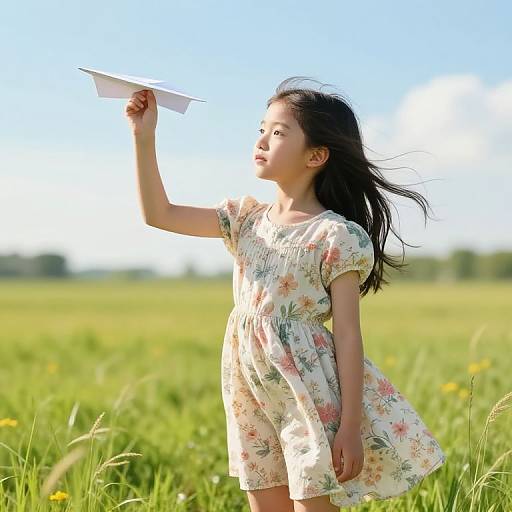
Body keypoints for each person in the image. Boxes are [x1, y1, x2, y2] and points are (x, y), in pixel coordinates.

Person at [125, 77, 446, 512]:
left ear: (316, 155)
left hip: (307, 393)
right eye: (261, 129)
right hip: (249, 388)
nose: (261, 140)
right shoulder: (244, 221)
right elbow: (158, 214)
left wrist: (350, 426)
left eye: (278, 133)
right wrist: (144, 137)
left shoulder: (335, 236)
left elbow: (349, 335)